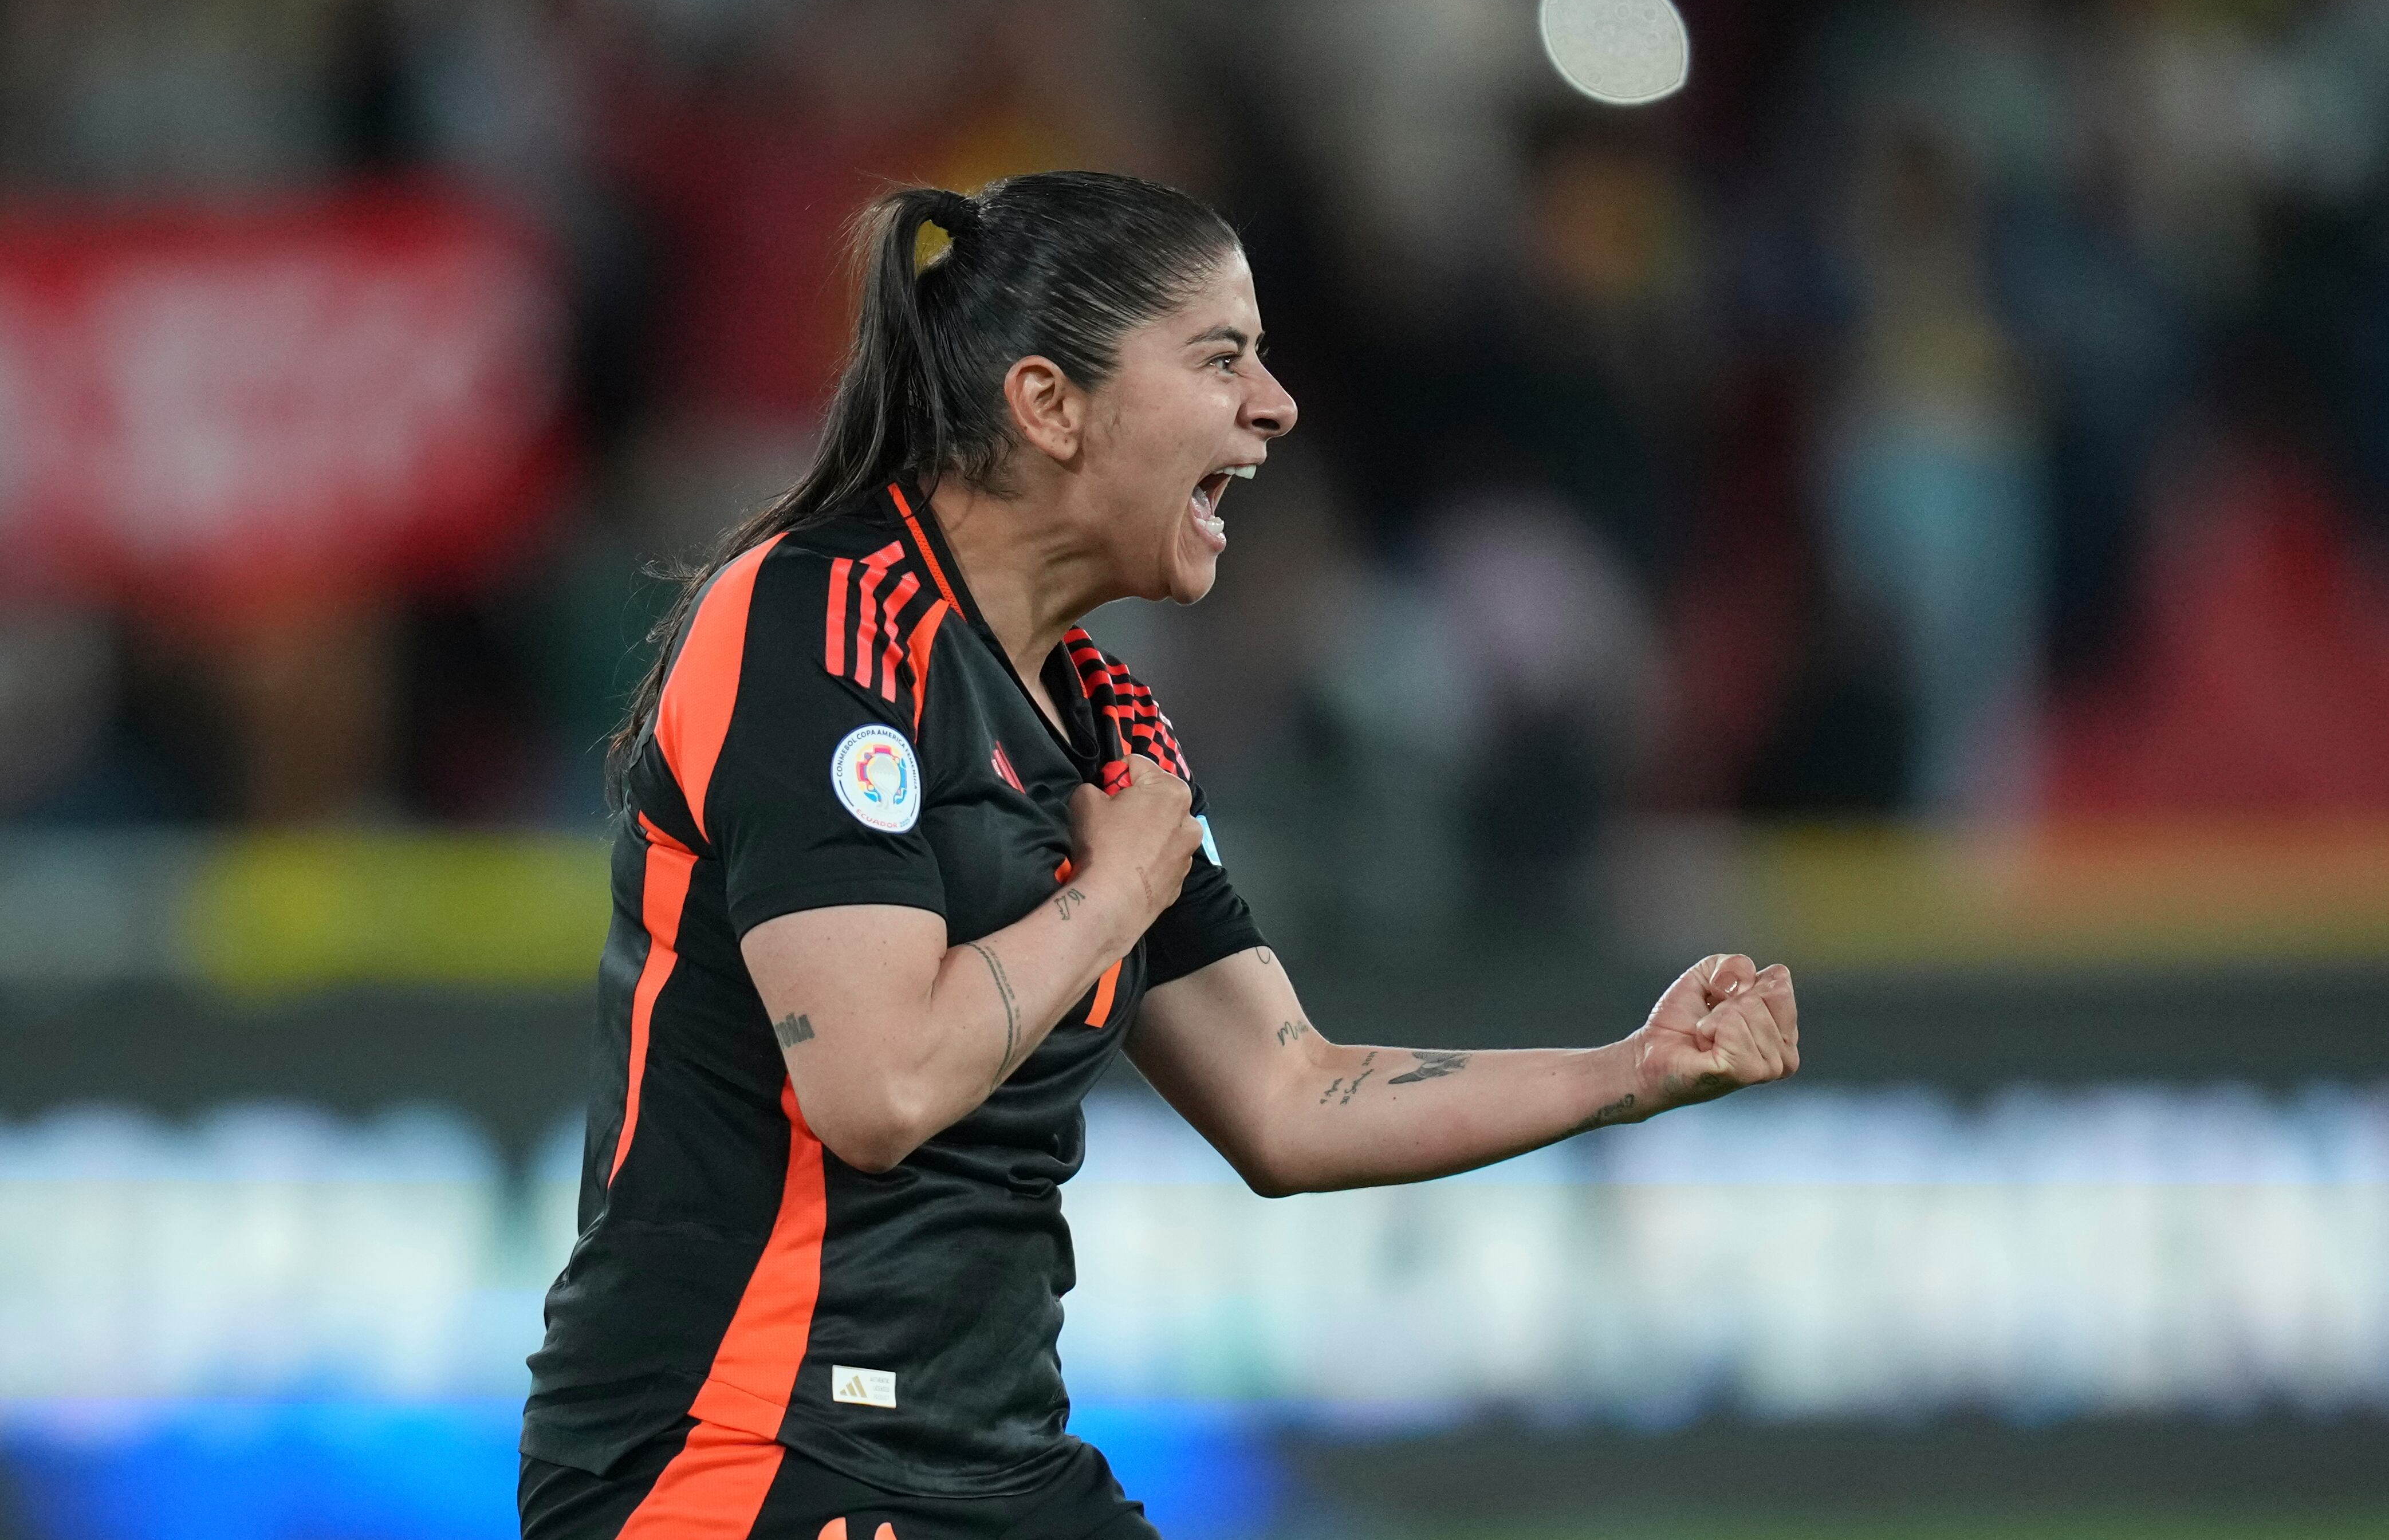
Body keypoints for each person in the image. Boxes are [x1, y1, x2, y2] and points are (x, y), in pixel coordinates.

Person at [518, 171, 1800, 1540]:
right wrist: (1114, 889)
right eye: (1220, 358)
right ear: (1049, 404)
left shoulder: (1107, 721)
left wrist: (1625, 1070)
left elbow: (1287, 1093)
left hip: (992, 1458)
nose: (1275, 404)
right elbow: (876, 1083)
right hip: (734, 1451)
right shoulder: (817, 621)